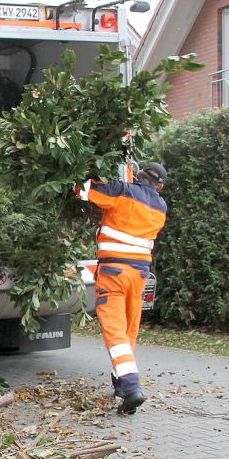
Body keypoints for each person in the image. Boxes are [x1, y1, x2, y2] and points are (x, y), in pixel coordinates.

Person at [75, 162, 167, 414]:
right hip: (139, 275)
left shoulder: (122, 191)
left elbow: (81, 190)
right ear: (159, 186)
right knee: (128, 329)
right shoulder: (161, 206)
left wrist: (87, 170)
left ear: (138, 175)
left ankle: (130, 386)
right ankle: (120, 384)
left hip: (114, 272)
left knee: (115, 329)